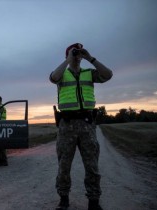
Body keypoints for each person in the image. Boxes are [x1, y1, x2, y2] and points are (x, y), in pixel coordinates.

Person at [49, 43, 113, 210]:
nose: (77, 56)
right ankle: (63, 200)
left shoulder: (89, 74)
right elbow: (53, 77)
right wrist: (68, 60)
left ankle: (94, 202)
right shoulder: (62, 74)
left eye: (78, 53)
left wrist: (90, 58)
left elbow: (108, 75)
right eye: (74, 53)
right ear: (67, 56)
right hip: (67, 125)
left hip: (87, 125)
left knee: (92, 165)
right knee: (64, 165)